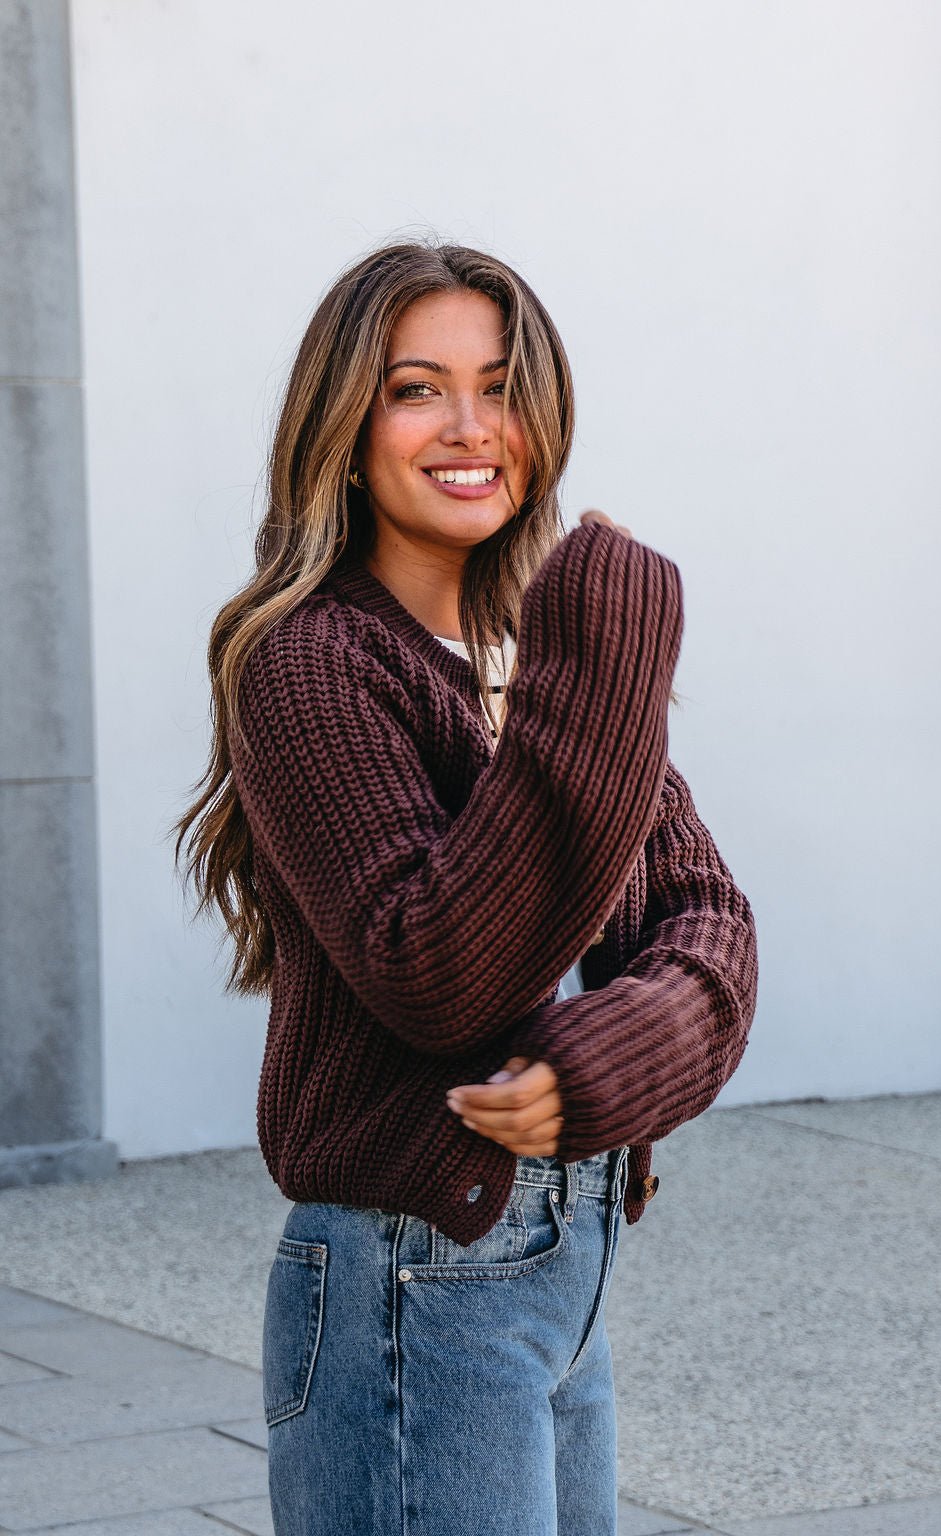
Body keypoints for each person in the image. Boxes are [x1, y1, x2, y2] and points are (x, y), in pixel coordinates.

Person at [176, 239, 758, 1536]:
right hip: (412, 1279)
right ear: (346, 427)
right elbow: (436, 970)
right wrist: (600, 660)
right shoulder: (314, 662)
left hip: (569, 1268)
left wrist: (603, 1061)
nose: (469, 427)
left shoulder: (537, 652)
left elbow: (712, 926)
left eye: (499, 387)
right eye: (417, 389)